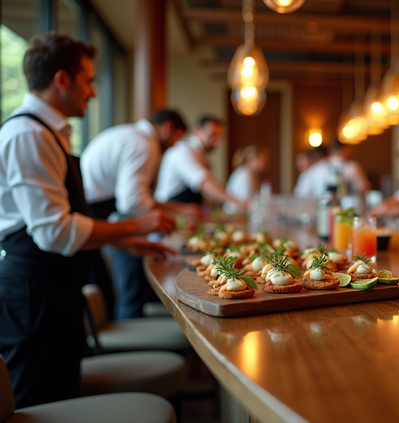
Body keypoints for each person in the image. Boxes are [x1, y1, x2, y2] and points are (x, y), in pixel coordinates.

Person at [0, 33, 174, 409]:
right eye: (89, 81)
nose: (93, 92)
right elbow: (55, 232)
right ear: (62, 80)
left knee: (60, 397)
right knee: (38, 406)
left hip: (53, 288)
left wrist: (121, 241)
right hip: (34, 295)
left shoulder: (48, 133)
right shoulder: (28, 134)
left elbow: (64, 222)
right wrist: (135, 225)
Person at [81, 109, 198, 319]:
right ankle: (126, 342)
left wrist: (175, 210)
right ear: (168, 128)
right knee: (129, 295)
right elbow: (132, 201)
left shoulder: (132, 135)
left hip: (96, 216)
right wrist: (162, 219)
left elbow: (137, 197)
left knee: (123, 292)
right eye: (176, 138)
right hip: (93, 220)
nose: (173, 145)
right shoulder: (143, 144)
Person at [154, 115, 248, 209]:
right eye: (212, 135)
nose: (217, 142)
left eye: (219, 137)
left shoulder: (203, 157)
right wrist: (237, 202)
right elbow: (204, 183)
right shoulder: (183, 150)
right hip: (167, 210)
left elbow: (207, 194)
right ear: (197, 130)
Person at [294, 139, 371, 199]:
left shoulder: (315, 168)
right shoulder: (353, 166)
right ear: (345, 150)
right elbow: (364, 189)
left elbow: (300, 194)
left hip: (321, 212)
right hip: (347, 213)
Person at [225, 145, 270, 213]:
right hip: (234, 214)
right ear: (253, 159)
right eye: (263, 160)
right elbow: (244, 202)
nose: (267, 163)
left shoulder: (254, 175)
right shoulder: (243, 175)